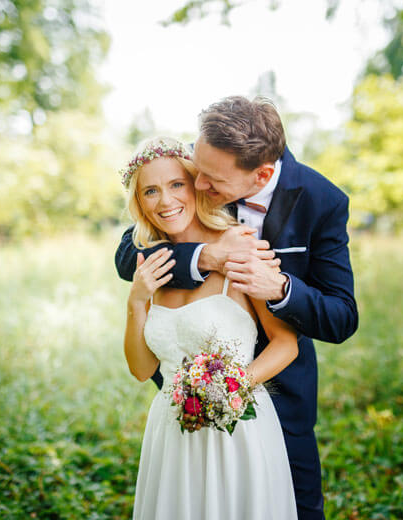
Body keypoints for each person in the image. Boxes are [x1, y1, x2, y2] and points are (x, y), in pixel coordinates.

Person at [116, 96, 358, 520]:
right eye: (195, 171)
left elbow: (342, 316)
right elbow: (129, 250)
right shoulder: (201, 179)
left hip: (280, 391)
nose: (197, 185)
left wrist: (280, 289)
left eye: (206, 179)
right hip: (184, 401)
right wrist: (204, 257)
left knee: (293, 506)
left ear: (260, 175)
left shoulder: (322, 201)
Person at [122, 137, 298, 519]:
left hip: (238, 431)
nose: (165, 201)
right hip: (171, 433)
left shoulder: (241, 248)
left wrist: (231, 388)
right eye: (150, 191)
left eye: (176, 185)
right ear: (140, 203)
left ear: (196, 185)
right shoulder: (151, 266)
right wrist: (136, 301)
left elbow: (286, 344)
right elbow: (141, 369)